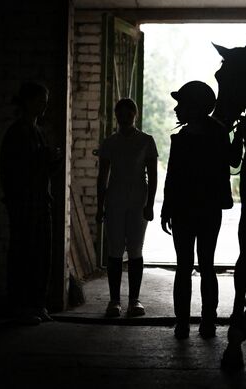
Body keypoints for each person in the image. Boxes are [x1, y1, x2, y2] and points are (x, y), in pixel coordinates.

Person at [161, 81, 240, 339]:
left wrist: (167, 209)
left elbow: (172, 177)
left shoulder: (183, 138)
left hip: (184, 210)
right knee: (207, 265)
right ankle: (207, 322)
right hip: (208, 210)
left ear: (193, 106)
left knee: (184, 266)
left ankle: (183, 323)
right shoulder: (216, 133)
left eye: (181, 103)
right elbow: (234, 160)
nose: (177, 109)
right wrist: (238, 135)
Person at [0, 81, 62, 325]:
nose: (44, 105)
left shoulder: (37, 131)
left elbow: (41, 169)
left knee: (41, 254)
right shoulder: (16, 133)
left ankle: (37, 303)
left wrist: (51, 161)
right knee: (23, 254)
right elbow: (15, 171)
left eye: (45, 101)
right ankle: (21, 306)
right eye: (40, 100)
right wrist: (43, 159)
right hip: (24, 203)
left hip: (39, 202)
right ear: (27, 101)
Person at [96, 98, 158, 318]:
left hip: (138, 200)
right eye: (120, 114)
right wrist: (99, 205)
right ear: (116, 116)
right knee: (114, 250)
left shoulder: (146, 141)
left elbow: (153, 174)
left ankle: (134, 300)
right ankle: (114, 301)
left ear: (135, 114)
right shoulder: (110, 142)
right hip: (114, 200)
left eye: (128, 113)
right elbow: (102, 176)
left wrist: (150, 204)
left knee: (135, 250)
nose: (124, 117)